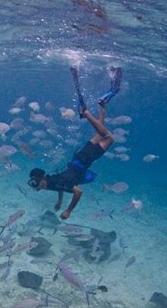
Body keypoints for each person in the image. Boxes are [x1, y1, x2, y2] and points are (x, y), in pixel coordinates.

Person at [28, 67, 122, 220]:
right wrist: (59, 201)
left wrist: (68, 211)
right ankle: (102, 105)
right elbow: (59, 188)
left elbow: (78, 192)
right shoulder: (50, 183)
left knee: (109, 138)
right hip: (79, 158)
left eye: (36, 183)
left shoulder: (54, 182)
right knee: (99, 132)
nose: (36, 186)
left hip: (85, 159)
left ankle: (85, 113)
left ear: (42, 179)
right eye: (34, 183)